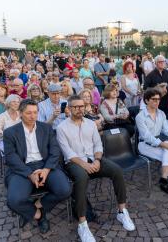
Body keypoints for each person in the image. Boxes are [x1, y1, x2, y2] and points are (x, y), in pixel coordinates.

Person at [57, 95, 135, 242]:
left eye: (81, 106)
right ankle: (82, 223)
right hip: (74, 163)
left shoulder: (91, 124)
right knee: (81, 177)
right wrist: (85, 165)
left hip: (94, 159)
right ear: (69, 108)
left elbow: (98, 145)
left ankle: (122, 211)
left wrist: (98, 160)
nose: (79, 109)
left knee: (116, 170)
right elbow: (68, 152)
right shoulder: (62, 128)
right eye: (75, 107)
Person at [4, 99, 71, 234]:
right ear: (20, 113)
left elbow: (55, 151)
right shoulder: (10, 132)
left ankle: (37, 206)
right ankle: (39, 215)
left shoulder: (46, 128)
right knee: (14, 201)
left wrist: (46, 170)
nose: (32, 116)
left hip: (45, 165)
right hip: (22, 168)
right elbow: (11, 158)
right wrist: (29, 174)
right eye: (28, 113)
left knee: (65, 190)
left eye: (35, 112)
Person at [136, 88, 168, 196]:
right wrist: (164, 144)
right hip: (144, 145)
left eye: (158, 99)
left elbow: (166, 130)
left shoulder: (161, 113)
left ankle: (164, 179)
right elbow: (147, 137)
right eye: (154, 99)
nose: (157, 102)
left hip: (158, 141)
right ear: (146, 100)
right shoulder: (140, 117)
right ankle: (166, 182)